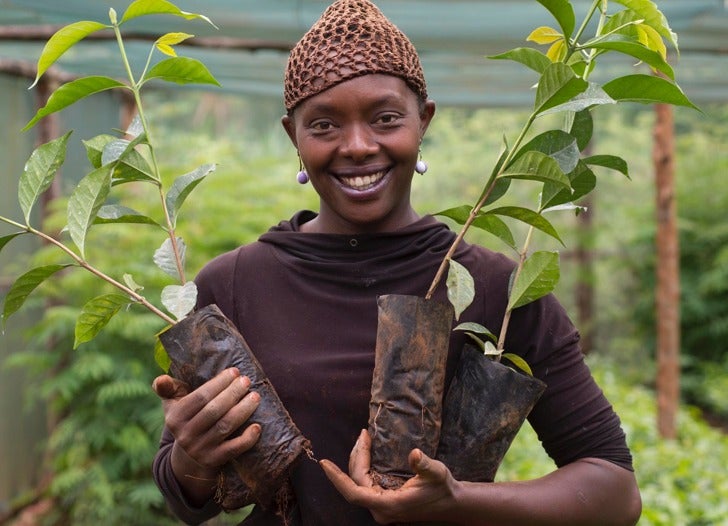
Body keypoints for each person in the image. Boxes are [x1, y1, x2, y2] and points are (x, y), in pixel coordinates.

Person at [152, 1, 642, 524]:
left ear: (423, 121)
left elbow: (614, 491)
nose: (359, 146)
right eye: (324, 125)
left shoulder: (498, 288)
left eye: (386, 118)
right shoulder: (231, 284)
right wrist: (191, 457)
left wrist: (458, 502)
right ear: (294, 136)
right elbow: (185, 500)